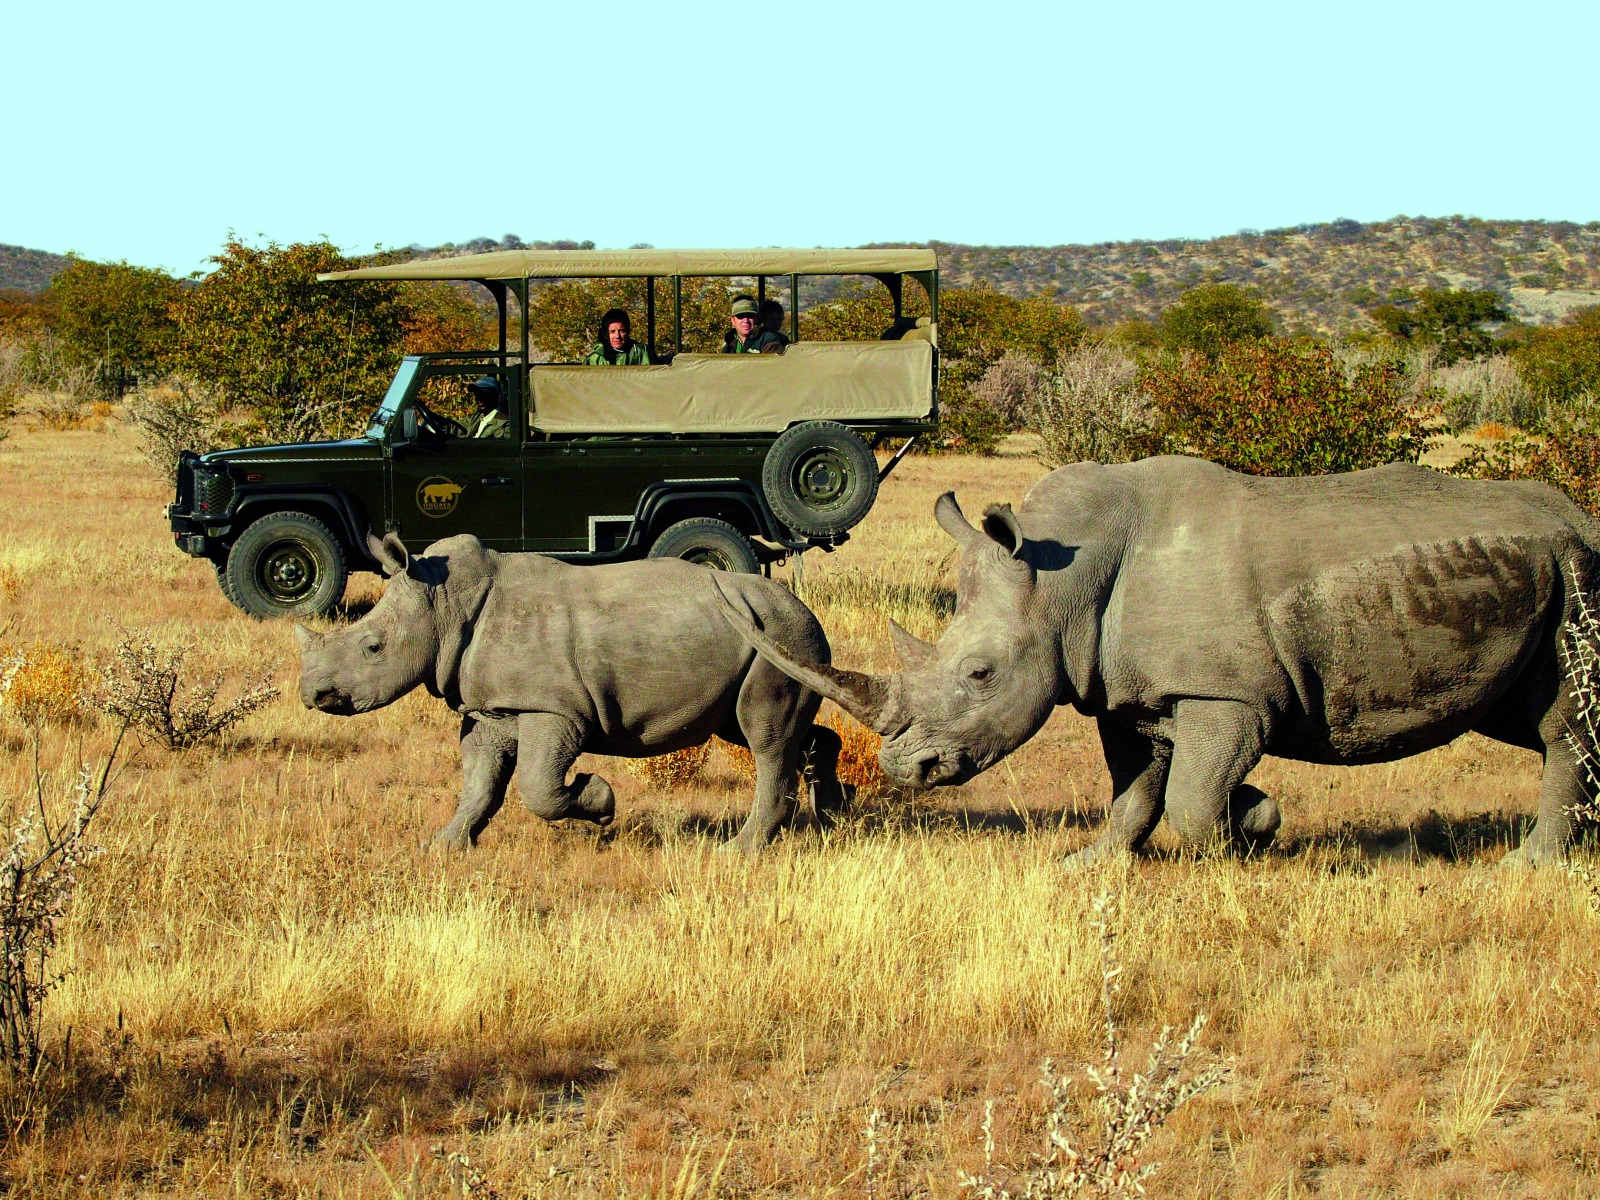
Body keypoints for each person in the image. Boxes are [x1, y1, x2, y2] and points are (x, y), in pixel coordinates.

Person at [584, 308, 652, 365]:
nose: (617, 336)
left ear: (628, 332)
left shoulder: (641, 353)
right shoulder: (594, 359)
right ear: (604, 334)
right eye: (612, 331)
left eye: (621, 331)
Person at [721, 295, 785, 354]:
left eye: (750, 315)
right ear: (733, 321)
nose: (746, 320)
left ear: (756, 318)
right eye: (740, 316)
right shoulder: (729, 344)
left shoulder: (769, 340)